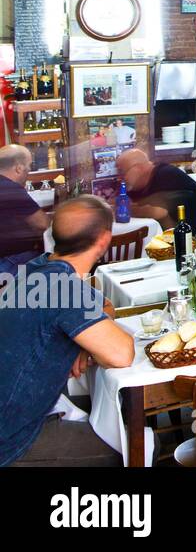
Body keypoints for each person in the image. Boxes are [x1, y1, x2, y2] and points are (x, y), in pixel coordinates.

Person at [0, 196, 136, 466]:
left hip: (17, 415)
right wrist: (91, 338)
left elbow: (104, 305)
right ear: (104, 239)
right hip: (12, 440)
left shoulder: (37, 269)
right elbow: (122, 355)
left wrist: (86, 341)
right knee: (136, 446)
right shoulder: (64, 288)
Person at [117, 148, 196, 229]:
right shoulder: (137, 184)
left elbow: (158, 212)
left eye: (122, 172)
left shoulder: (167, 176)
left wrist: (127, 209)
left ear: (138, 168)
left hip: (192, 239)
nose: (120, 177)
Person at [0, 145, 50, 274]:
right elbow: (43, 224)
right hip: (8, 260)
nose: (28, 171)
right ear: (19, 168)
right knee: (59, 265)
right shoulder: (10, 188)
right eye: (29, 166)